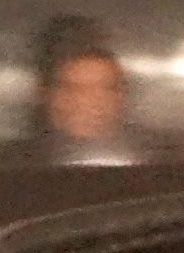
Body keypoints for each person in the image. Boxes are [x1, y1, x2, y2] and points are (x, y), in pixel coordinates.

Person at [26, 13, 142, 166]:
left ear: (122, 95)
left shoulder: (160, 158)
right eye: (70, 89)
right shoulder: (8, 166)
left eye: (104, 89)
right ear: (44, 94)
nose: (85, 102)